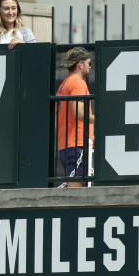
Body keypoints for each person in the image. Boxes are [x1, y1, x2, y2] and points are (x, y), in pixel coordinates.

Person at [55, 47, 95, 187]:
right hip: (77, 145)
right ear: (80, 64)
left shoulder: (64, 84)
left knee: (74, 191)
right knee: (75, 195)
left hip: (67, 145)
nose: (90, 67)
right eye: (89, 63)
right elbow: (79, 114)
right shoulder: (78, 82)